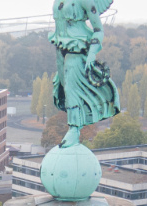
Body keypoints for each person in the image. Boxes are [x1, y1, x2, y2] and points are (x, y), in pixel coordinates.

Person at [49, 0, 120, 147]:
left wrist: (92, 54)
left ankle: (74, 129)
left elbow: (98, 30)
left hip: (76, 51)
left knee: (71, 90)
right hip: (60, 51)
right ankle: (75, 123)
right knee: (64, 91)